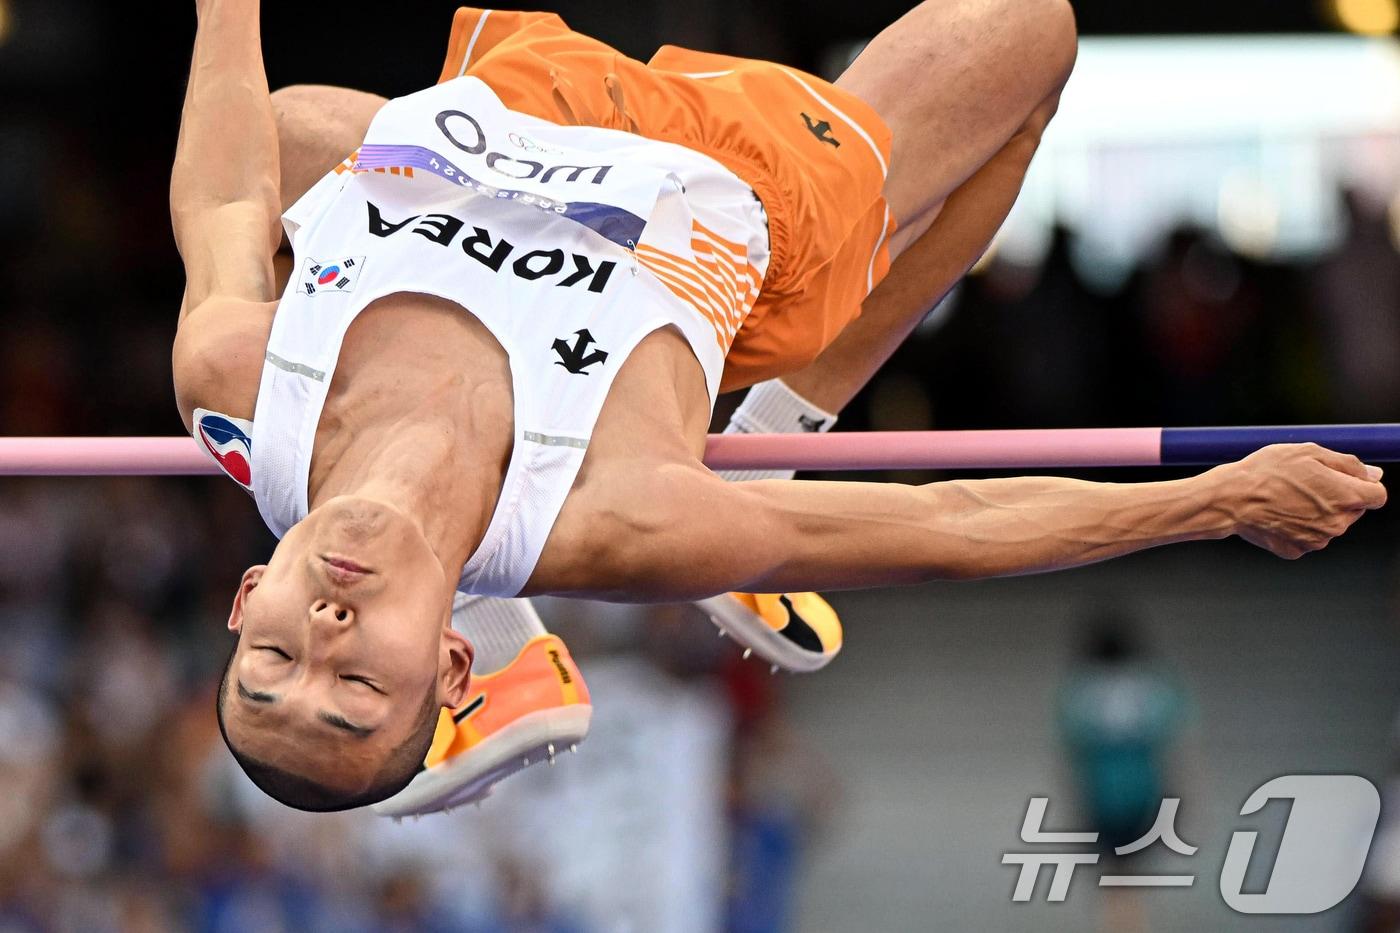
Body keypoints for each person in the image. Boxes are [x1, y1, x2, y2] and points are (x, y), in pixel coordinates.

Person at [170, 0, 1386, 814]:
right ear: (437, 667)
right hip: (735, 181)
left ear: (247, 595)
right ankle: (772, 438)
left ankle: (504, 616)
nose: (325, 634)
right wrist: (1212, 499)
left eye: (274, 659)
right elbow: (947, 528)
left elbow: (223, 193)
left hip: (511, 112)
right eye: (357, 687)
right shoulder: (623, 517)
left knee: (285, 129)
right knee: (1034, 37)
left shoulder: (237, 383)